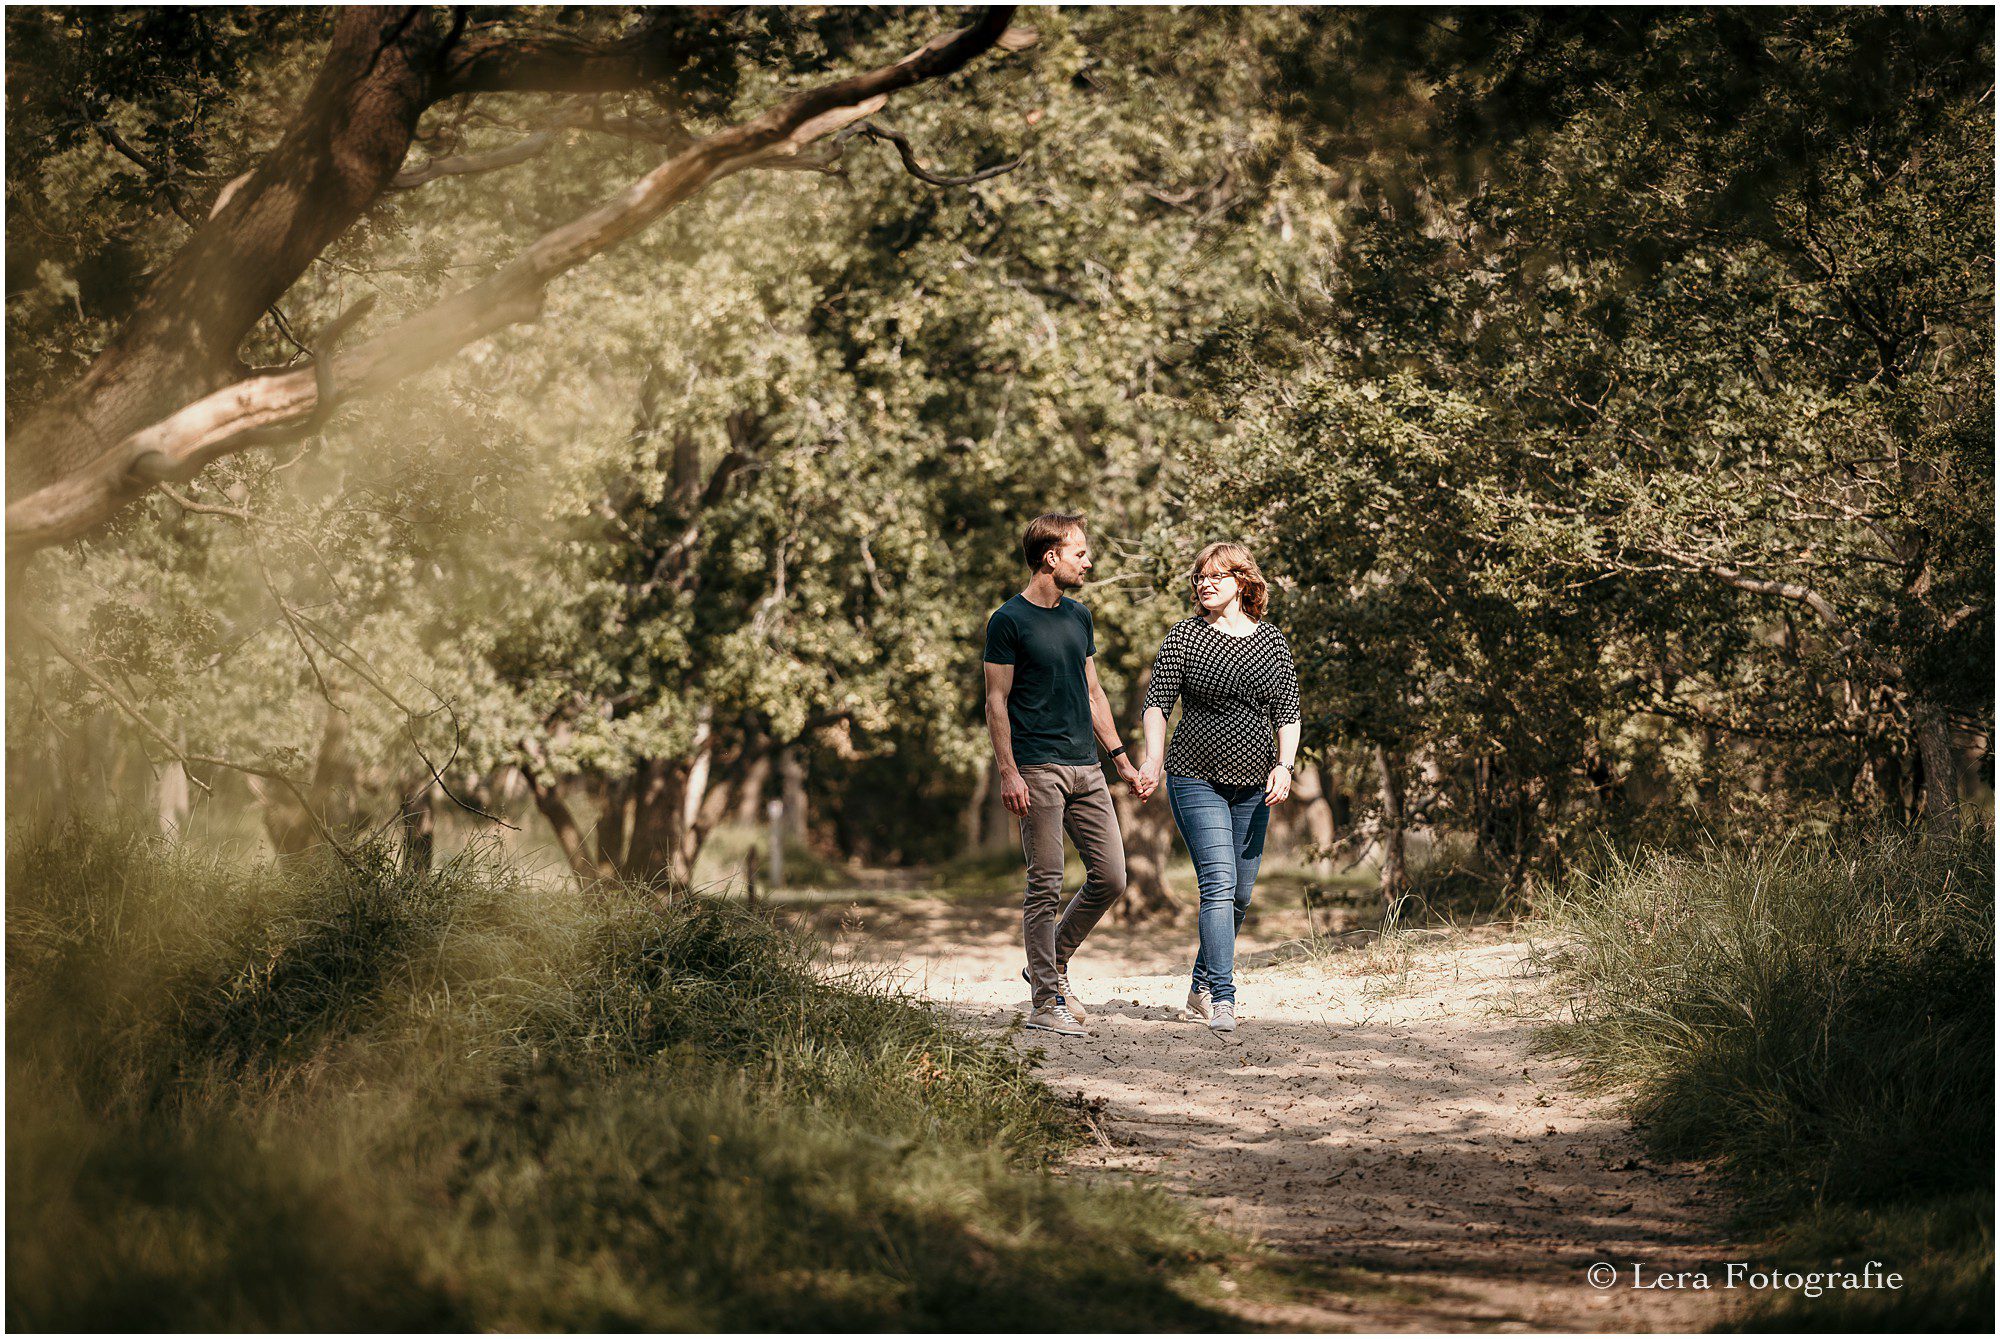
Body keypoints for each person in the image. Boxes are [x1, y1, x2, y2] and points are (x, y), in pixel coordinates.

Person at [984, 513, 1150, 1036]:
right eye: (1080, 552)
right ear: (1050, 557)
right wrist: (1008, 772)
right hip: (1037, 769)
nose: (1089, 561)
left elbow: (1094, 693)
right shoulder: (1007, 620)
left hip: (1087, 767)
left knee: (1112, 876)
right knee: (1046, 884)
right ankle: (1045, 1002)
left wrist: (1120, 759)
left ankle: (1048, 961)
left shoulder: (1080, 618)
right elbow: (996, 701)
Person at [1138, 541, 1301, 1034]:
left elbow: (1288, 712)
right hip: (1195, 776)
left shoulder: (1271, 641)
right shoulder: (1184, 637)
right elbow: (1156, 704)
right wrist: (1153, 757)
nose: (1205, 584)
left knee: (1241, 895)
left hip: (1254, 783)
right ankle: (1224, 997)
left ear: (1242, 582)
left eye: (1215, 576)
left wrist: (1285, 766)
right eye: (1199, 578)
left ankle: (1199, 985)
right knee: (1218, 884)